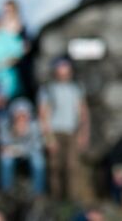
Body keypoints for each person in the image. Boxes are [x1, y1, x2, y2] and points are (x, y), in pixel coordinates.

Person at [38, 57, 90, 202]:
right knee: (55, 167)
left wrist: (83, 133)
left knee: (72, 167)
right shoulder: (48, 89)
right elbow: (43, 114)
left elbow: (83, 112)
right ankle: (56, 201)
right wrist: (48, 137)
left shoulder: (76, 89)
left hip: (72, 131)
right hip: (55, 131)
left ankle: (72, 202)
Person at [0, 99, 47, 194]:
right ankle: (6, 191)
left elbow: (37, 146)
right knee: (5, 160)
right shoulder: (4, 124)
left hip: (29, 152)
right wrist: (15, 133)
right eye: (18, 116)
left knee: (38, 161)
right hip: (14, 152)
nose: (21, 119)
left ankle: (38, 193)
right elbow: (3, 146)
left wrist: (18, 149)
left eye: (24, 116)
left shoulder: (35, 126)